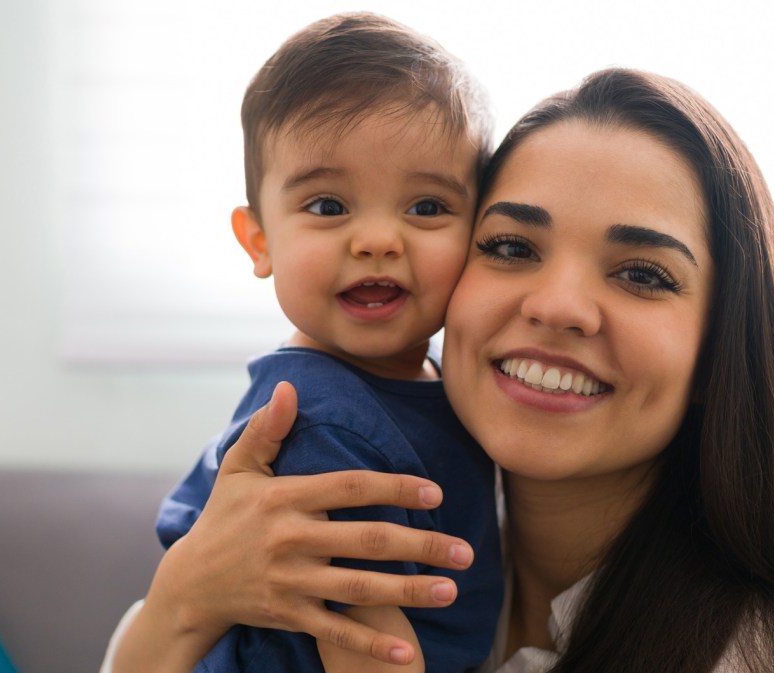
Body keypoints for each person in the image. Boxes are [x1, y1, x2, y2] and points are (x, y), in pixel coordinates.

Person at [107, 68, 774, 672]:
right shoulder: (362, 516)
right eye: (510, 247)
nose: (558, 306)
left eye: (642, 272)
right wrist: (184, 598)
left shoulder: (761, 657)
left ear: (721, 347)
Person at [115, 12, 503, 673]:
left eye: (427, 207)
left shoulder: (431, 377)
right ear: (259, 241)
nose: (377, 239)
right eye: (328, 206)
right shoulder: (325, 430)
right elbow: (367, 644)